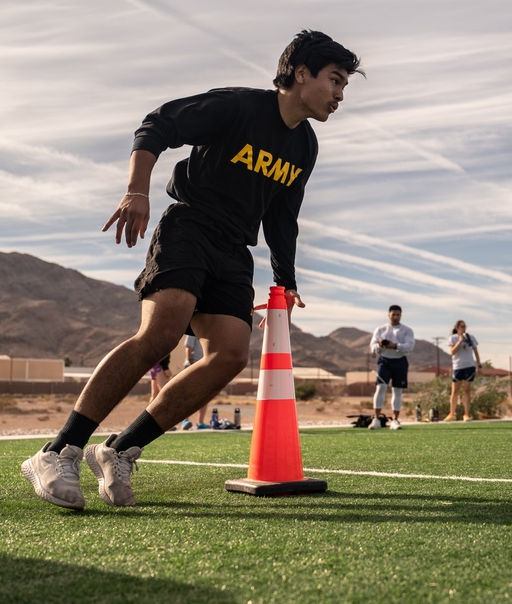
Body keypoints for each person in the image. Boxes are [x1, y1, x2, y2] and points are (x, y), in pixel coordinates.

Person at [21, 30, 362, 509]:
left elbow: (282, 215)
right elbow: (156, 125)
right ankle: (59, 451)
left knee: (228, 354)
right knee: (162, 332)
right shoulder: (239, 107)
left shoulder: (305, 146)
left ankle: (119, 451)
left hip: (234, 249)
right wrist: (136, 191)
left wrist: (285, 281)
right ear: (300, 74)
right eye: (335, 80)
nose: (341, 94)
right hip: (191, 224)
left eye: (345, 85)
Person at [368, 305, 415, 430]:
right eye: (393, 314)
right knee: (380, 388)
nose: (395, 317)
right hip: (384, 362)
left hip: (400, 362)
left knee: (397, 390)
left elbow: (409, 346)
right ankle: (376, 419)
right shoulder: (380, 329)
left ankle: (395, 420)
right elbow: (372, 346)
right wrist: (379, 345)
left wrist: (395, 346)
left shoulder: (407, 330)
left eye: (397, 315)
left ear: (401, 315)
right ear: (388, 315)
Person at [446, 319, 481, 421]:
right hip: (457, 367)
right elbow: (452, 352)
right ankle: (452, 414)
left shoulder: (471, 338)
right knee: (455, 391)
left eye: (464, 326)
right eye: (461, 326)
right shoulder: (453, 338)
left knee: (467, 390)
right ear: (457, 328)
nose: (463, 328)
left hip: (469, 366)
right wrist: (459, 341)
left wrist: (478, 363)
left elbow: (475, 351)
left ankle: (466, 414)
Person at [178, 335, 208, 429]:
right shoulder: (193, 331)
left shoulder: (209, 329)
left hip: (205, 365)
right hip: (193, 365)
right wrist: (191, 364)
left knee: (205, 394)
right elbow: (188, 348)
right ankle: (185, 420)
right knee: (188, 394)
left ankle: (200, 422)